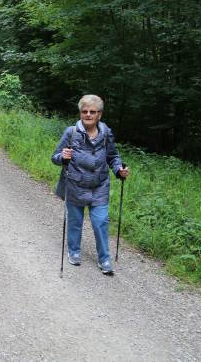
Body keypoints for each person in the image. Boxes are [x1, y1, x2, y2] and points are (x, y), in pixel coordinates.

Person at [51, 94, 130, 275]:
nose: (88, 114)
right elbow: (54, 158)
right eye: (84, 111)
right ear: (80, 113)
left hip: (99, 186)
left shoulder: (106, 133)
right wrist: (62, 158)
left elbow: (113, 156)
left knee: (100, 222)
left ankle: (104, 259)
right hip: (75, 185)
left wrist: (119, 170)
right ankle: (74, 251)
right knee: (75, 222)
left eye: (92, 111)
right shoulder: (71, 133)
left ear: (99, 115)